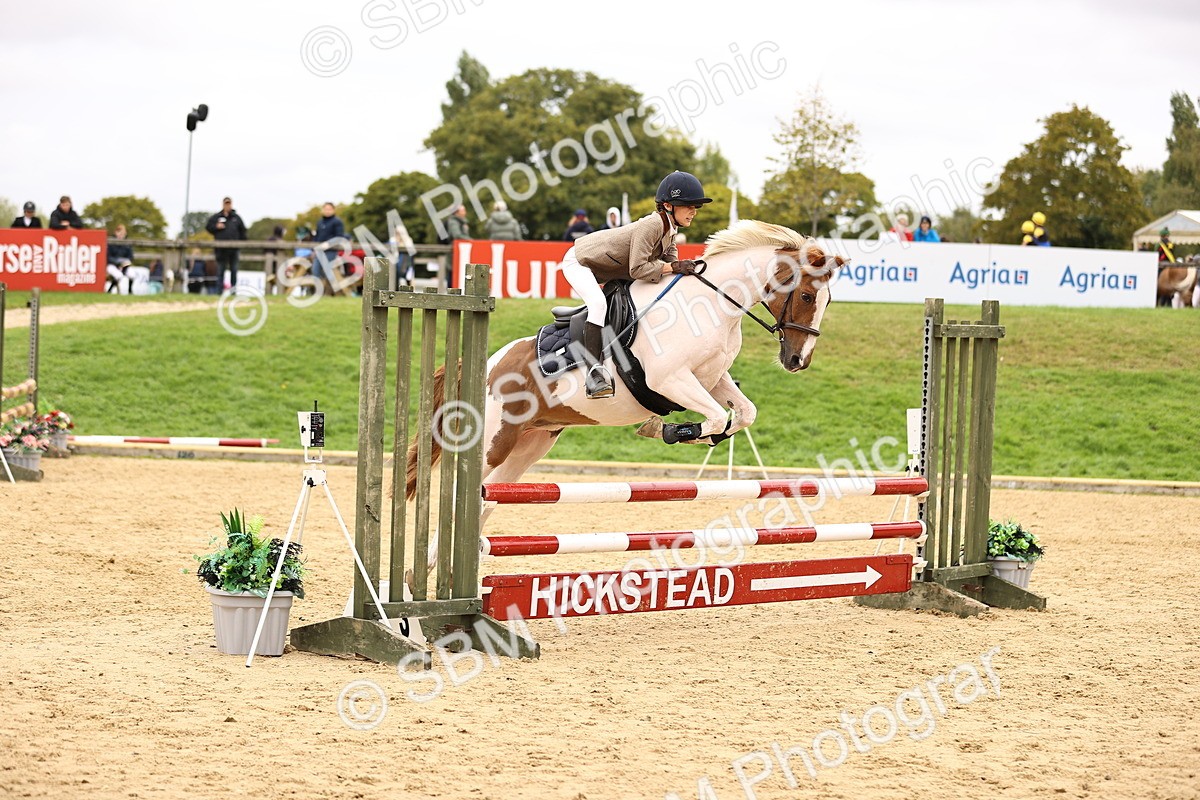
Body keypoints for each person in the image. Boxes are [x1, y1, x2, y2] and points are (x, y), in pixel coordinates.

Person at [565, 170, 711, 399]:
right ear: (668, 206)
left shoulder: (670, 231)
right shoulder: (652, 225)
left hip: (610, 267)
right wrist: (674, 267)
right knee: (598, 305)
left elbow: (671, 269)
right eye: (688, 205)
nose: (693, 211)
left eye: (696, 206)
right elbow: (638, 269)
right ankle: (594, 373)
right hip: (580, 261)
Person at [205, 197, 247, 290]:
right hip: (221, 249)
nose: (227, 205)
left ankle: (233, 291)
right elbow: (208, 226)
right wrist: (216, 227)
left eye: (229, 203)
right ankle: (219, 292)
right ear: (223, 204)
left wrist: (240, 243)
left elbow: (243, 232)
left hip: (234, 249)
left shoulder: (236, 218)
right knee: (220, 271)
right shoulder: (217, 217)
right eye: (226, 203)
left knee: (234, 270)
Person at [313, 203, 346, 295]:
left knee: (329, 272)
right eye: (325, 209)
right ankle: (319, 292)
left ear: (333, 210)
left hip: (331, 251)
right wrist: (315, 248)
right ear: (322, 210)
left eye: (329, 209)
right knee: (315, 271)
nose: (327, 211)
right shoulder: (320, 222)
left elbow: (339, 237)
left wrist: (326, 244)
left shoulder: (337, 222)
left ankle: (330, 293)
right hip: (319, 251)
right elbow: (317, 237)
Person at [105, 224, 135, 293]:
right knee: (118, 276)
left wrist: (126, 262)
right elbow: (108, 257)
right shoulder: (111, 242)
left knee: (132, 274)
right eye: (120, 233)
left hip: (124, 266)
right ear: (116, 232)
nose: (122, 235)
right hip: (112, 265)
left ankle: (130, 291)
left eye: (123, 234)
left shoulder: (127, 244)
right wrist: (118, 262)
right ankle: (109, 291)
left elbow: (130, 257)